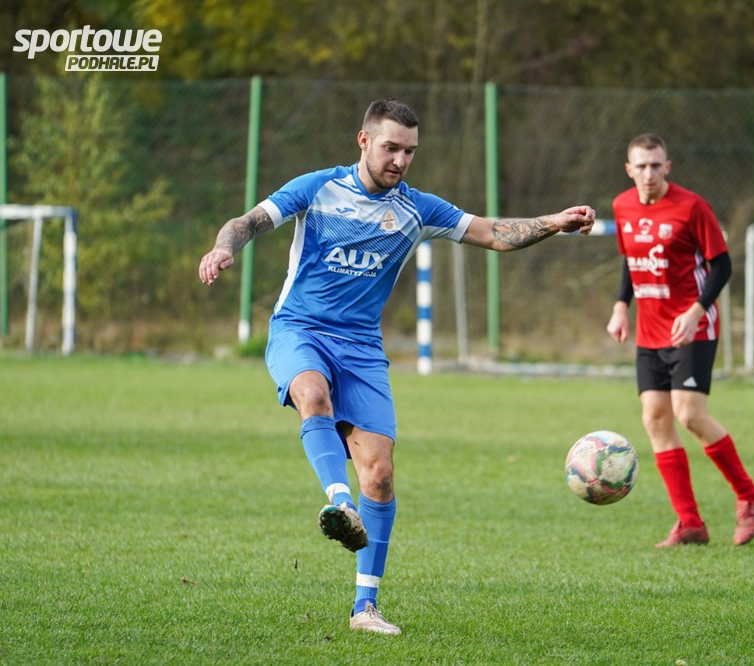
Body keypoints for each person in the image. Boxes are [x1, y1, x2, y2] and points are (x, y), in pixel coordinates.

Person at [199, 98, 595, 635]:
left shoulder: (417, 209)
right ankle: (338, 502)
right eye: (391, 148)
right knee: (312, 396)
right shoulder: (318, 188)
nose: (401, 160)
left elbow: (491, 233)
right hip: (301, 329)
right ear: (363, 141)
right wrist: (223, 248)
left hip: (362, 348)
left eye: (410, 151)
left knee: (381, 476)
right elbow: (246, 221)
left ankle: (365, 609)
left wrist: (554, 222)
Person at [605, 134, 754, 548]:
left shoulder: (692, 207)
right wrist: (621, 306)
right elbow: (631, 260)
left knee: (689, 415)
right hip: (650, 330)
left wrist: (696, 310)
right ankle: (689, 522)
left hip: (693, 327)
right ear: (628, 170)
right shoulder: (622, 206)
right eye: (641, 166)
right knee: (655, 418)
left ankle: (750, 496)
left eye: (655, 165)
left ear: (667, 167)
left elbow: (722, 265)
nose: (648, 174)